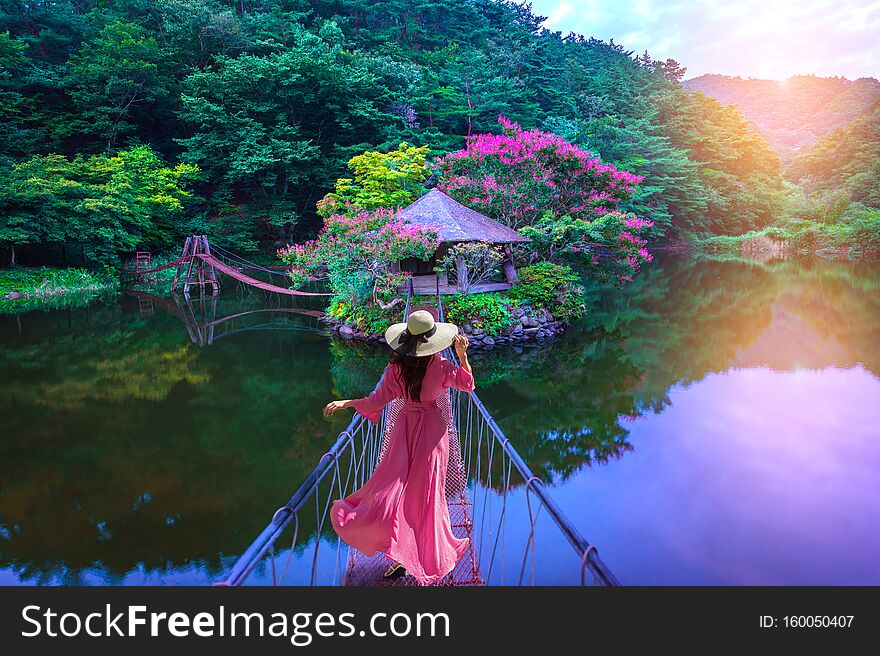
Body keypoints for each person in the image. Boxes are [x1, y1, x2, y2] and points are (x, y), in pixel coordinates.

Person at [323, 309, 475, 585]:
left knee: (392, 487)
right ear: (432, 342)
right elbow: (468, 384)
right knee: (426, 494)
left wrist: (347, 403)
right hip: (433, 434)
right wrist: (462, 355)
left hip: (403, 428)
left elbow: (374, 402)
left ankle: (400, 554)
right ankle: (416, 553)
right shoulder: (441, 367)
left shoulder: (395, 369)